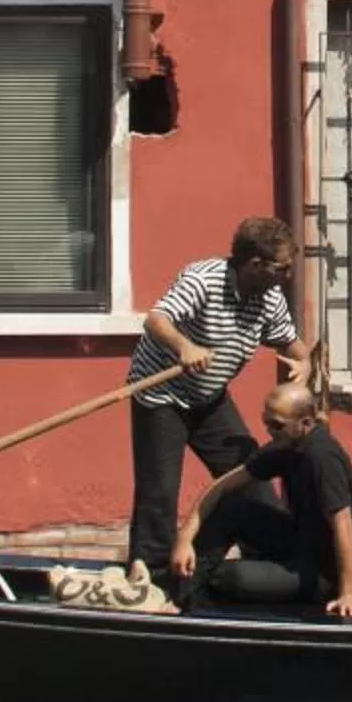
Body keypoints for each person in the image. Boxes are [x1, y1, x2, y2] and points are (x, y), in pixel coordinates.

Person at [124, 217, 311, 580]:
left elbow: (291, 343)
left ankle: (271, 559)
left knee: (250, 473)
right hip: (160, 396)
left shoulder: (268, 296)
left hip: (209, 397)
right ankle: (153, 575)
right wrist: (185, 347)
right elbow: (156, 320)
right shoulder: (202, 279)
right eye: (283, 267)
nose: (288, 275)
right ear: (255, 265)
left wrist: (303, 364)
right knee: (159, 492)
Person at [167, 382, 352, 620]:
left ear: (306, 423)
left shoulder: (321, 457)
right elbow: (223, 486)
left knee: (228, 578)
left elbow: (344, 524)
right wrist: (184, 539)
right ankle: (180, 592)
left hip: (326, 572)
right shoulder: (285, 445)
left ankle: (200, 603)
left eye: (277, 425)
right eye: (266, 422)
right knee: (232, 507)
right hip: (302, 541)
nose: (269, 431)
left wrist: (347, 593)